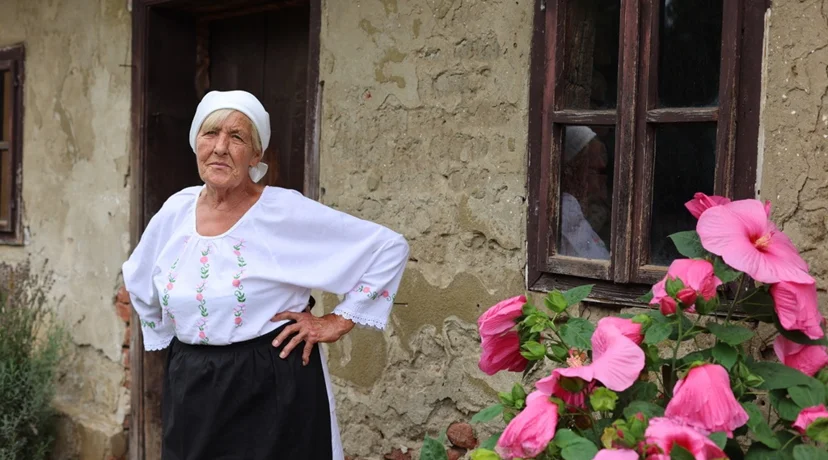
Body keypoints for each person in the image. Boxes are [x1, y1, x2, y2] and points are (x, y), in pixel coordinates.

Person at [122, 90, 410, 460]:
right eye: (210, 134)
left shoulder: (283, 210)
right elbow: (140, 277)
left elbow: (388, 248)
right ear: (196, 144)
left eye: (237, 137)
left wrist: (337, 321)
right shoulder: (175, 211)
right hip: (192, 384)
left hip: (272, 383)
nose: (221, 147)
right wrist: (173, 332)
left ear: (256, 154)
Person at [559, 126, 611, 260]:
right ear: (574, 171)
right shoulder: (567, 207)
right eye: (593, 171)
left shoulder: (585, 208)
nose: (598, 185)